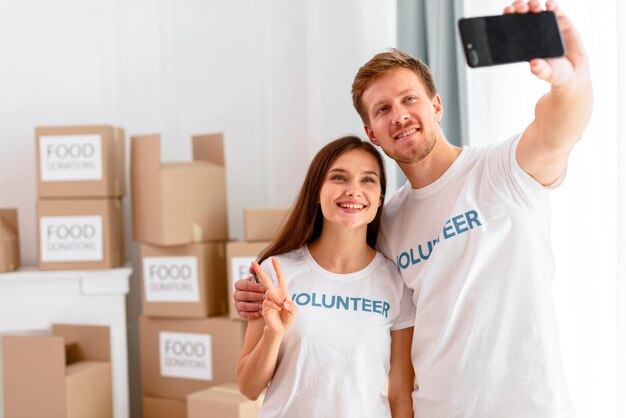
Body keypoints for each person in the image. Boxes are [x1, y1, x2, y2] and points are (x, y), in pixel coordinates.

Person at [235, 0, 592, 416]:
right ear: (372, 133)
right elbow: (339, 277)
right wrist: (256, 296)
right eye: (383, 109)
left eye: (409, 99)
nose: (400, 116)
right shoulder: (387, 222)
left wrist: (570, 81)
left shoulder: (503, 172)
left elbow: (559, 129)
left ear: (436, 106)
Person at [236, 136, 416, 418]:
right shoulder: (275, 272)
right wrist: (274, 334)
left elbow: (401, 394)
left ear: (380, 199)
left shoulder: (396, 282)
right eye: (339, 178)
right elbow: (248, 387)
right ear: (316, 192)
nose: (354, 190)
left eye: (367, 180)